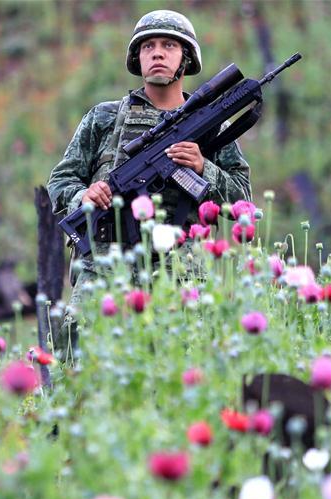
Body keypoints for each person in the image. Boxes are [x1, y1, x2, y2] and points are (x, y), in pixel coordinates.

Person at [47, 9, 252, 359]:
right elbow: (61, 180)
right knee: (80, 364)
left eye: (169, 45)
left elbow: (242, 199)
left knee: (182, 367)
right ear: (137, 58)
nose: (157, 53)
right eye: (148, 46)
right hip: (105, 265)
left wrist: (204, 168)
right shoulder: (104, 118)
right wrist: (86, 194)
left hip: (180, 268)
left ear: (185, 59)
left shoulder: (208, 125)